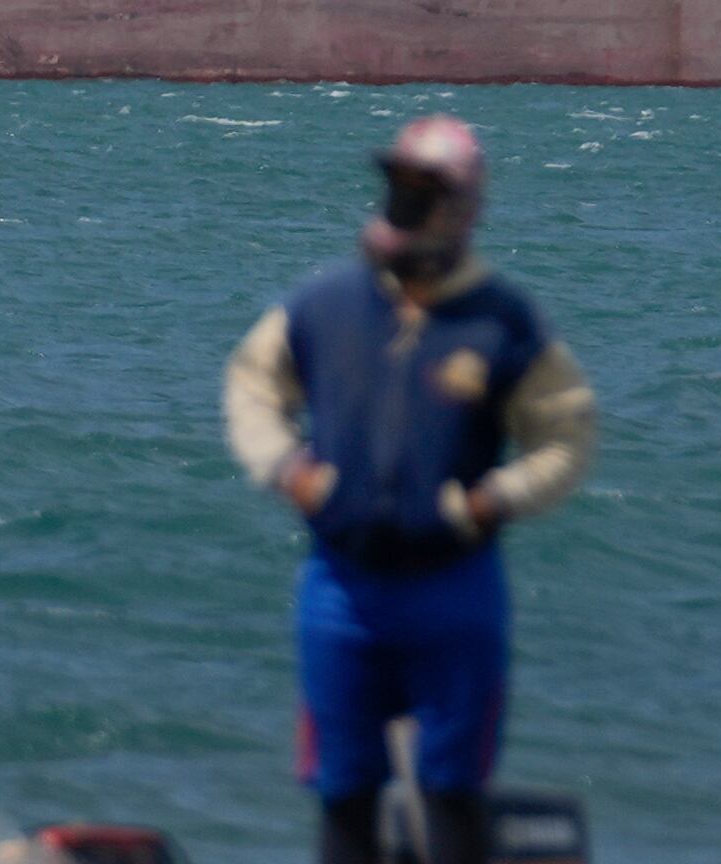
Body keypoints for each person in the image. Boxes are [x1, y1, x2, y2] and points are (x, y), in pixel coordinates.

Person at [223, 117, 598, 864]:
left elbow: (566, 434)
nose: (403, 204)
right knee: (343, 790)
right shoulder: (324, 304)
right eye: (397, 187)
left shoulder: (504, 324)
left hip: (453, 591)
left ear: (464, 208)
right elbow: (252, 385)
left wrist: (494, 500)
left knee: (453, 790)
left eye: (423, 192)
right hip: (341, 591)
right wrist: (287, 469)